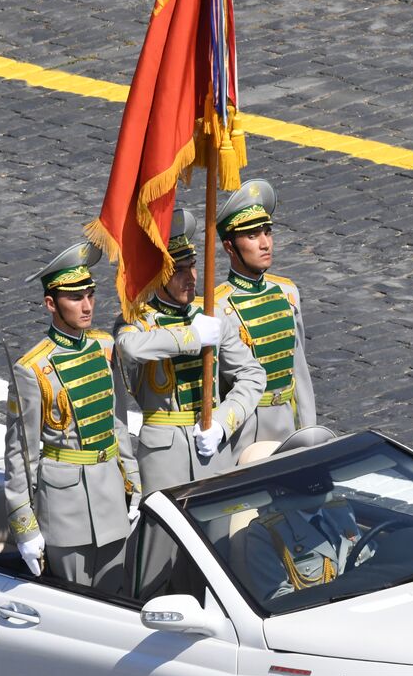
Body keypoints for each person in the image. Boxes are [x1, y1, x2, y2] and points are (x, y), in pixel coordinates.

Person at [4, 241, 138, 589]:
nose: (87, 305)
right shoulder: (33, 369)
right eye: (75, 298)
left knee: (118, 596)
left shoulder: (105, 346)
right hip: (66, 512)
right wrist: (24, 526)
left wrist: (134, 483)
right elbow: (21, 454)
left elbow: (118, 423)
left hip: (111, 497)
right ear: (51, 303)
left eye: (90, 295)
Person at [115, 208, 265, 494]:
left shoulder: (211, 313)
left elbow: (252, 375)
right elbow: (128, 348)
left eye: (193, 266)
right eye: (178, 270)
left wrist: (223, 423)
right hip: (163, 456)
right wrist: (190, 337)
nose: (191, 277)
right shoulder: (138, 320)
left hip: (213, 450)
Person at [212, 178, 317, 448]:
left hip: (288, 421)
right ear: (229, 247)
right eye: (252, 235)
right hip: (247, 428)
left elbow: (299, 372)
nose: (265, 243)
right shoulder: (217, 307)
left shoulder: (287, 293)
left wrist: (310, 430)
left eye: (267, 232)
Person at [241, 462, 374, 601]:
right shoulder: (266, 532)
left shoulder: (341, 509)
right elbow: (278, 599)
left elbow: (371, 555)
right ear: (286, 490)